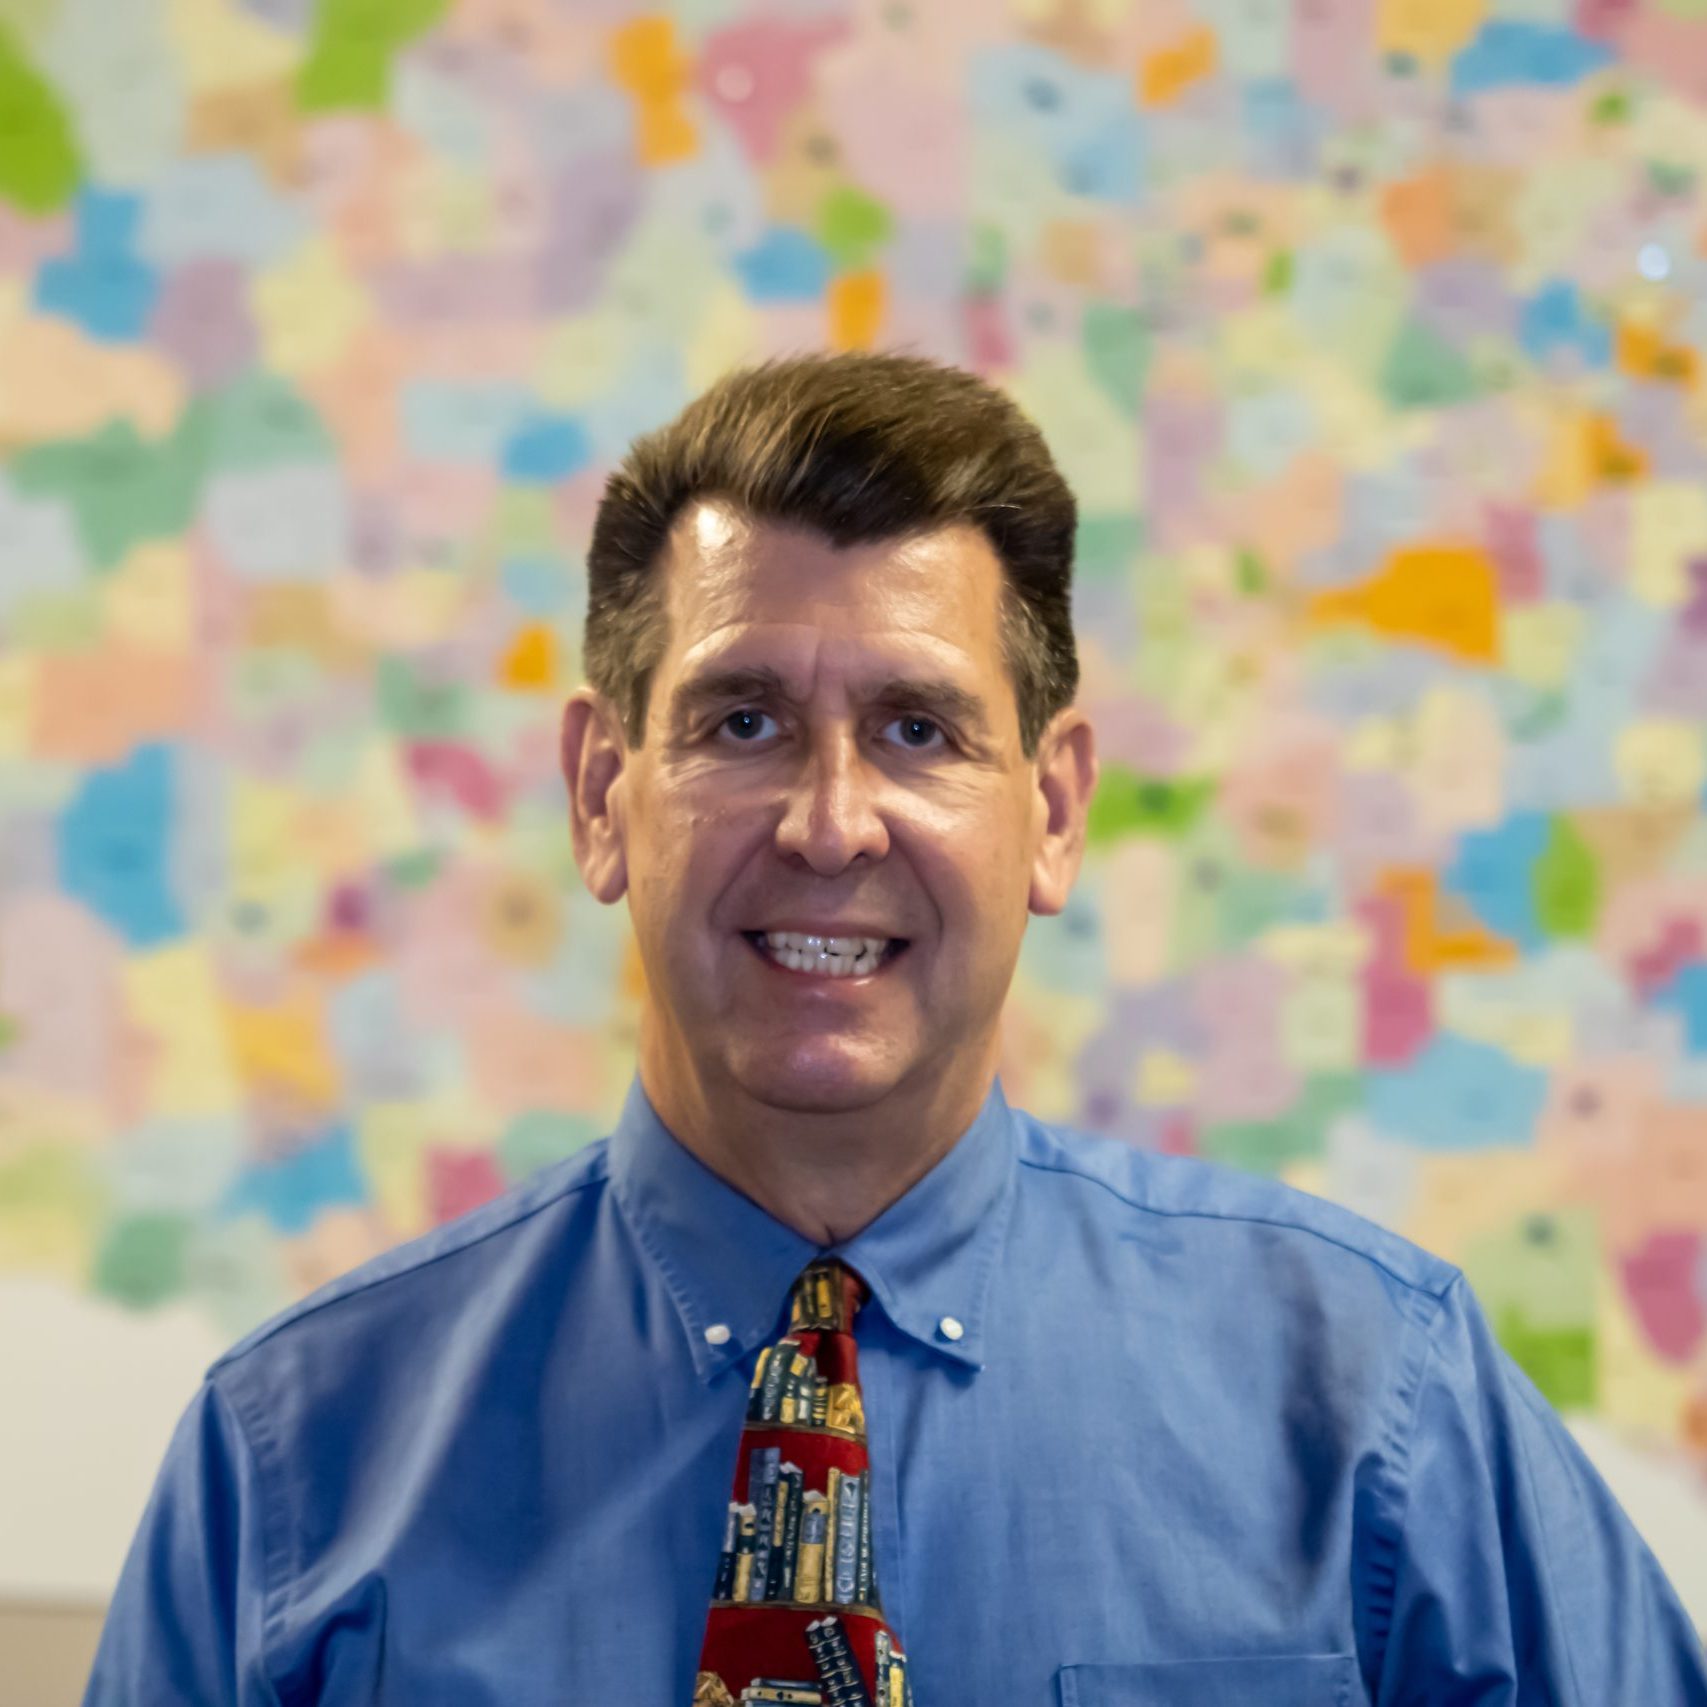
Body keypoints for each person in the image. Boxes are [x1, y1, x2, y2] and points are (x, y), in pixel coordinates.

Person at [87, 352, 1705, 1705]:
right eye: (743, 721)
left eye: (919, 730)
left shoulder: (1375, 1404)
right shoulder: (292, 1466)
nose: (830, 823)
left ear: (1052, 813)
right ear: (599, 793)